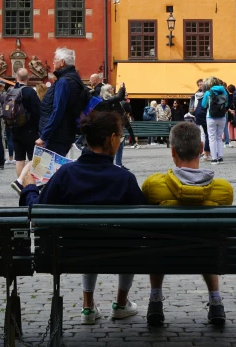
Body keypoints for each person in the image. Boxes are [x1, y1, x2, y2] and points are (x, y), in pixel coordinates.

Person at [20, 110, 145, 324]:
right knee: (127, 240)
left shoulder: (66, 174)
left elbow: (38, 212)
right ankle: (122, 303)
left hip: (72, 252)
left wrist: (30, 188)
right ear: (112, 139)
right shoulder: (125, 179)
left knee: (88, 237)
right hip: (121, 252)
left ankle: (87, 306)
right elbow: (143, 222)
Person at [142, 122, 233, 327]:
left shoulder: (154, 186)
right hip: (208, 253)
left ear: (172, 151)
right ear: (201, 149)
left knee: (156, 239)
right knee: (208, 239)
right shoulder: (223, 190)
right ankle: (216, 301)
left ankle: (155, 300)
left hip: (162, 252)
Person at [36, 48, 85, 156]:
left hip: (56, 135)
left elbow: (58, 110)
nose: (53, 62)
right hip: (65, 132)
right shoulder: (75, 79)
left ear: (62, 62)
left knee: (46, 169)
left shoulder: (63, 82)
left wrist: (44, 135)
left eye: (55, 59)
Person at [9, 68, 41, 193]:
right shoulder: (30, 92)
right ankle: (23, 182)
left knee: (19, 158)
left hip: (14, 129)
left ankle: (20, 184)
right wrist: (40, 130)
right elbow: (37, 112)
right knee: (34, 157)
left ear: (16, 78)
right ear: (28, 78)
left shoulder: (10, 91)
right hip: (29, 129)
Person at [201, 77, 228, 164]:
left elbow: (203, 105)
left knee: (212, 138)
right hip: (222, 116)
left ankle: (214, 158)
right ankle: (220, 157)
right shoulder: (224, 91)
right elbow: (227, 103)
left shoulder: (208, 92)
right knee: (219, 137)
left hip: (210, 117)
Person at [194, 82, 211, 161]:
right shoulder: (208, 94)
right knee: (207, 134)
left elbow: (196, 105)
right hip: (204, 114)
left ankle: (202, 152)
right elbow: (205, 105)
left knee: (202, 134)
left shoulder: (198, 95)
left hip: (198, 114)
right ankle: (206, 153)